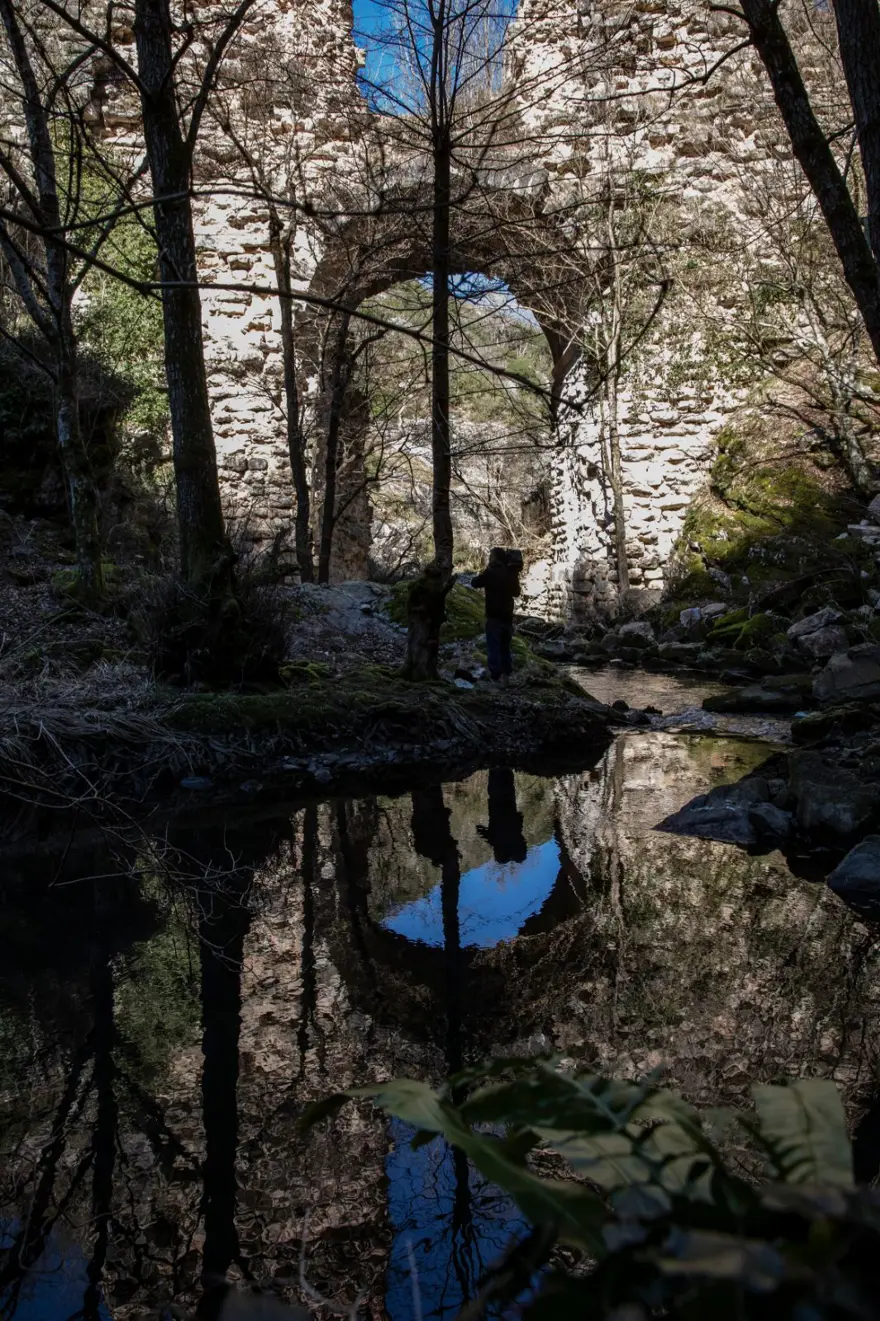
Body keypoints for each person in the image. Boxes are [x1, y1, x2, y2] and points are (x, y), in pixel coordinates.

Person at [470, 547, 521, 685]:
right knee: (505, 647)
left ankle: (495, 677)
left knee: (493, 647)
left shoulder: (491, 571)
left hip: (494, 616)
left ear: (495, 557)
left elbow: (475, 583)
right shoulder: (511, 573)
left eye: (491, 555)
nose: (489, 558)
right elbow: (517, 592)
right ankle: (506, 676)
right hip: (508, 617)